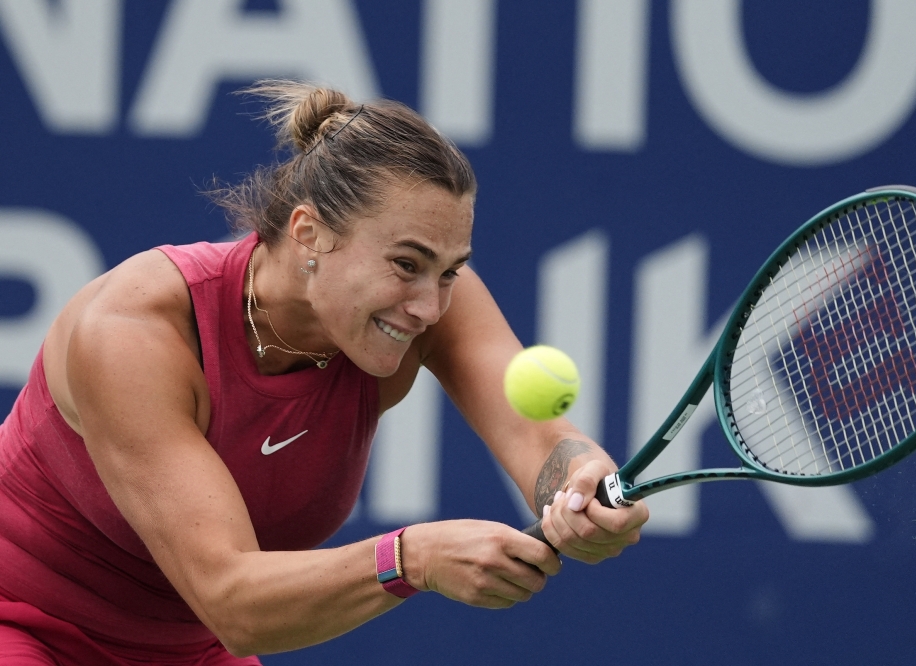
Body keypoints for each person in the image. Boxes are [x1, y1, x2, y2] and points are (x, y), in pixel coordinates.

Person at [0, 80, 648, 664]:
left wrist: (578, 486)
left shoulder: (428, 305)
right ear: (308, 232)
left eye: (449, 271)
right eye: (406, 264)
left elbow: (541, 444)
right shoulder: (134, 334)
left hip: (186, 649)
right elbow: (234, 603)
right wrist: (409, 559)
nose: (429, 305)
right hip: (21, 623)